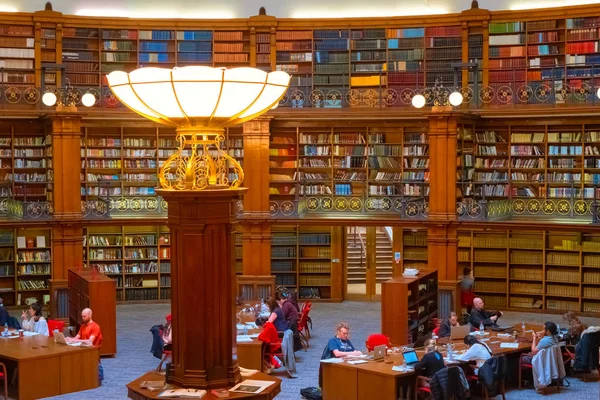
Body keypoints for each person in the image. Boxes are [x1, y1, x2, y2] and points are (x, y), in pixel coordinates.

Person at [66, 308, 104, 384]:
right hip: (84, 349)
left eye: (84, 316)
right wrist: (69, 339)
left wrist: (75, 340)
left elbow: (90, 341)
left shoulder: (95, 327)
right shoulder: (83, 326)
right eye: (82, 316)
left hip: (93, 351)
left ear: (90, 316)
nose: (83, 318)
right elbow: (77, 337)